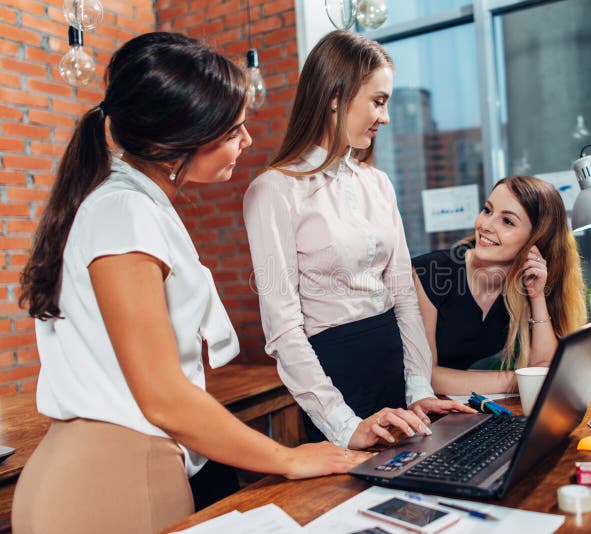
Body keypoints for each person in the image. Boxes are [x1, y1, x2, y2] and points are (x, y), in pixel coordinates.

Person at [12, 32, 369, 534]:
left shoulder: (124, 203)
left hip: (99, 472)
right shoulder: (125, 211)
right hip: (119, 480)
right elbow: (163, 397)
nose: (246, 142)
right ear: (175, 141)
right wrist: (288, 458)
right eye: (232, 131)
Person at [243, 30, 473, 450]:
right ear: (335, 96)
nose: (385, 117)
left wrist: (419, 387)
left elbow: (402, 292)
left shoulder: (378, 183)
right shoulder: (273, 191)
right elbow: (283, 329)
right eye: (378, 101)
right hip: (333, 379)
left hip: (393, 363)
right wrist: (343, 424)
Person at [412, 176, 588, 395]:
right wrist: (519, 380)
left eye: (507, 221)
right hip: (399, 410)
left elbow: (544, 368)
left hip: (454, 409)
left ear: (535, 241)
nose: (486, 225)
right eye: (487, 210)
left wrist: (537, 297)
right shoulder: (432, 273)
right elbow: (425, 376)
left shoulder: (521, 285)